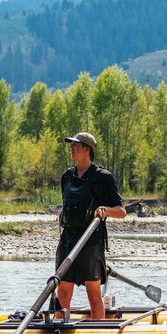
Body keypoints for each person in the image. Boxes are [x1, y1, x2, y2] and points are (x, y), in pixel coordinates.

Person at [56, 132, 126, 319]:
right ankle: (59, 331)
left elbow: (121, 211)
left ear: (87, 149)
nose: (71, 148)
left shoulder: (103, 177)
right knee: (62, 292)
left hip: (91, 240)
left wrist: (105, 209)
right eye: (71, 145)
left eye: (76, 145)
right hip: (68, 239)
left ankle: (98, 332)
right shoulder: (67, 176)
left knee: (93, 292)